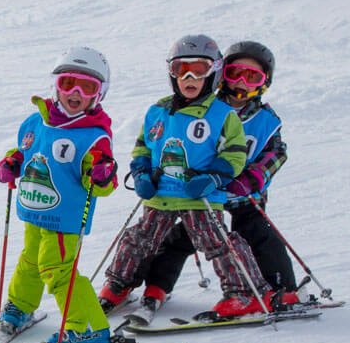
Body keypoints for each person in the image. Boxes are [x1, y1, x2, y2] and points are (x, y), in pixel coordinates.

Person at [99, 35, 268, 320]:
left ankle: (245, 293)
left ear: (213, 73)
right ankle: (119, 284)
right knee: (139, 239)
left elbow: (236, 154)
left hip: (198, 194)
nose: (189, 77)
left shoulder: (223, 115)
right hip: (161, 193)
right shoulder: (158, 111)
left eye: (199, 70)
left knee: (216, 242)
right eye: (181, 70)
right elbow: (143, 146)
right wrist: (141, 172)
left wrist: (214, 178)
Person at [131, 40, 296, 314]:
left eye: (252, 77)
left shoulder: (265, 119)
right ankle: (157, 286)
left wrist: (249, 180)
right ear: (221, 75)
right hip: (202, 193)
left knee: (256, 234)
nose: (241, 83)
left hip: (244, 194)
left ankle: (282, 290)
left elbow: (275, 154)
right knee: (180, 237)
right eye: (235, 74)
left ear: (264, 83)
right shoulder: (205, 107)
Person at [0, 48, 121, 343]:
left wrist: (101, 175)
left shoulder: (94, 135)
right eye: (68, 83)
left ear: (99, 94)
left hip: (65, 217)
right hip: (34, 209)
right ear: (56, 85)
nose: (75, 93)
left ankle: (87, 327)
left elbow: (101, 181)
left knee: (57, 269)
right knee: (31, 260)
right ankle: (21, 306)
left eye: (87, 87)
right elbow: (25, 153)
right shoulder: (36, 122)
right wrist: (11, 163)